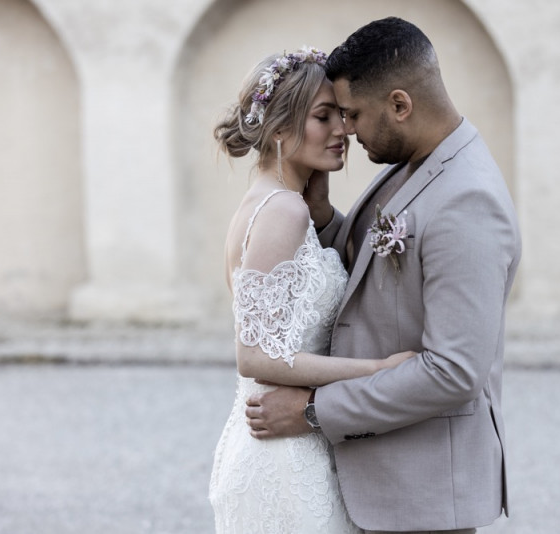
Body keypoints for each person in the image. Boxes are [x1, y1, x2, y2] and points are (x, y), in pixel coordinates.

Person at [243, 18, 522, 534]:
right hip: (381, 483)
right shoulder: (410, 164)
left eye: (352, 114)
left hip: (426, 494)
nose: (345, 129)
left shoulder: (468, 201)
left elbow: (453, 373)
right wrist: (324, 217)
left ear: (400, 105)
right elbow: (372, 268)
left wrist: (312, 411)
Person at [208, 46, 416, 533]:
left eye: (342, 116)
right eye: (324, 117)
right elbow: (255, 356)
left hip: (277, 448)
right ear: (280, 129)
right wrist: (378, 370)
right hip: (283, 460)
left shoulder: (270, 203)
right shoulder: (283, 211)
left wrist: (323, 212)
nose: (342, 130)